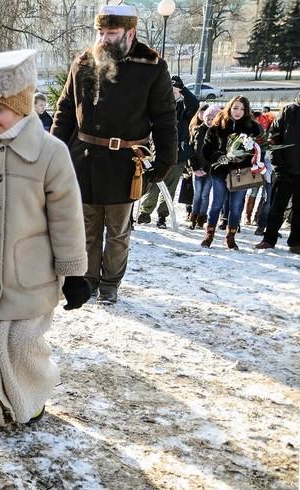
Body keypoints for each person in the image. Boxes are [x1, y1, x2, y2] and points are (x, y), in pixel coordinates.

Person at [0, 49, 90, 426]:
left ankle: (28, 397)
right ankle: (3, 402)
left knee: (22, 345)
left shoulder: (50, 152)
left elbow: (67, 216)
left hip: (32, 273)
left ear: (21, 105)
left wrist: (74, 272)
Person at [51, 4, 176, 304]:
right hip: (84, 158)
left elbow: (164, 117)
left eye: (112, 32)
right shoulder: (83, 62)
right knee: (87, 228)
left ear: (130, 32)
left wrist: (164, 161)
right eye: (101, 32)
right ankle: (88, 279)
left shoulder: (152, 66)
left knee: (118, 231)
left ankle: (110, 283)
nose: (104, 39)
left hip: (125, 163)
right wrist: (53, 150)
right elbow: (65, 109)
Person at [200, 95, 262, 250]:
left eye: (242, 109)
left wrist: (245, 157)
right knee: (216, 204)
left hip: (241, 173)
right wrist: (218, 157)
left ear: (246, 111)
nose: (238, 111)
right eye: (235, 108)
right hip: (220, 172)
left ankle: (231, 236)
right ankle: (209, 235)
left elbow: (258, 148)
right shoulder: (218, 125)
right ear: (229, 107)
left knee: (236, 206)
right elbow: (206, 148)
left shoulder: (252, 127)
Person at [137, 75, 199, 228]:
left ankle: (162, 216)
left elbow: (194, 104)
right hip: (159, 151)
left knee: (170, 187)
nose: (172, 94)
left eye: (175, 92)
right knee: (153, 183)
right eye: (169, 91)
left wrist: (183, 89)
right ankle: (145, 212)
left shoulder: (184, 110)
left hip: (178, 154)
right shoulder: (159, 106)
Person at [255, 94, 300, 253]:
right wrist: (278, 166)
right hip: (285, 171)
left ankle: (296, 242)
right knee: (276, 207)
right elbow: (273, 138)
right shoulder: (290, 111)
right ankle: (269, 239)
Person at [188, 105, 221, 230]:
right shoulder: (197, 130)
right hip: (197, 169)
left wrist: (207, 169)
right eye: (207, 117)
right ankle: (193, 218)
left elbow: (215, 154)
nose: (209, 120)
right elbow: (191, 150)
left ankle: (202, 218)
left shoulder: (217, 134)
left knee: (205, 195)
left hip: (209, 171)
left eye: (213, 118)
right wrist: (195, 168)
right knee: (197, 195)